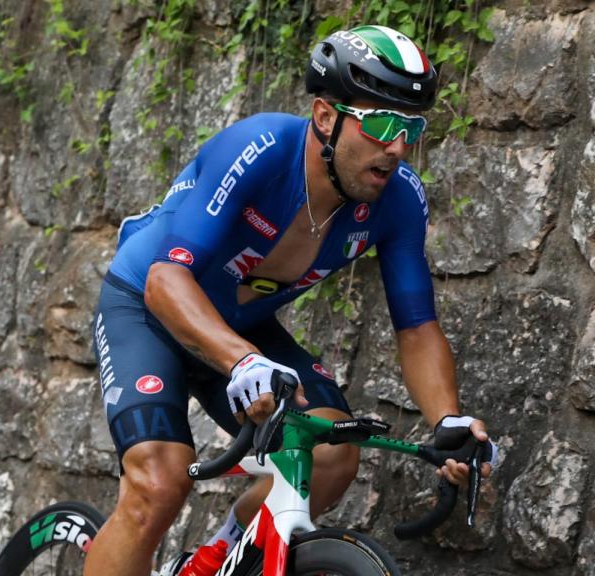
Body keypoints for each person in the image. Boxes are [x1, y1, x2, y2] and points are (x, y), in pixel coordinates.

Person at [85, 24, 496, 576]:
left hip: (238, 326)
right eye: (378, 124)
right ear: (326, 117)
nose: (397, 147)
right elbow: (166, 280)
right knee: (159, 482)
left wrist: (448, 418)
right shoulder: (258, 150)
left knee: (328, 456)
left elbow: (417, 326)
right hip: (150, 306)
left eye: (410, 128)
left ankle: (215, 558)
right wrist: (242, 359)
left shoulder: (397, 199)